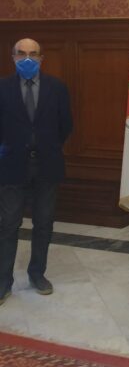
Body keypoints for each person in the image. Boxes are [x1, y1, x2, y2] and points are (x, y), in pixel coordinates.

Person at [0, 38, 73, 306]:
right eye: (21, 54)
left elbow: (66, 125)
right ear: (13, 57)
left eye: (33, 54)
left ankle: (37, 273)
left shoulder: (57, 88)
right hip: (11, 166)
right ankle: (3, 281)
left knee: (44, 223)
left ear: (42, 58)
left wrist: (46, 146)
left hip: (47, 165)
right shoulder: (2, 88)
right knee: (8, 224)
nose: (27, 59)